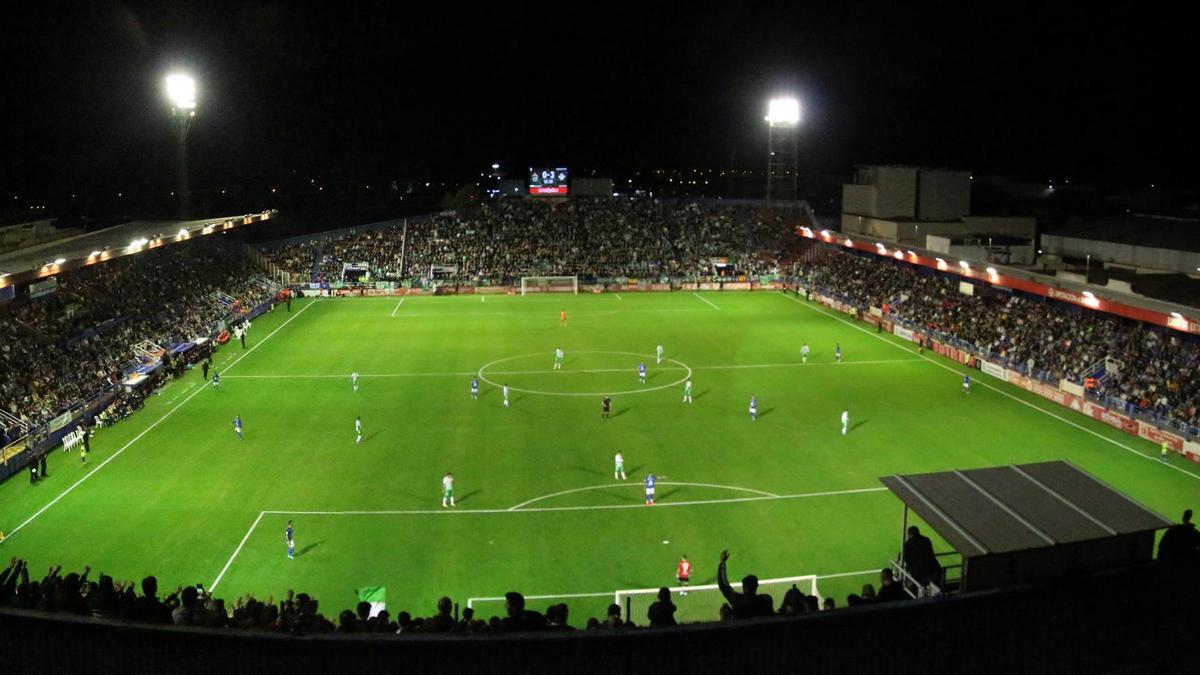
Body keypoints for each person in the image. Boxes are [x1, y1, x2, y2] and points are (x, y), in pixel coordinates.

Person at [717, 549, 773, 618]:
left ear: (743, 586)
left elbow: (723, 585)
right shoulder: (765, 599)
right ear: (756, 586)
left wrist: (722, 563)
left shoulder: (737, 600)